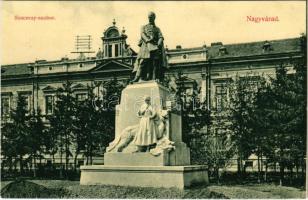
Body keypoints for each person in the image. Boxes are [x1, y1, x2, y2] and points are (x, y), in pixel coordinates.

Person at [131, 12, 167, 83]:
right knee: (142, 62)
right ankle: (137, 77)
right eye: (149, 17)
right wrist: (148, 40)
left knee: (156, 62)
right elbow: (142, 34)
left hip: (155, 46)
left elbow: (161, 37)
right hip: (146, 47)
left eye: (151, 17)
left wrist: (159, 43)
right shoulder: (144, 27)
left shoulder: (157, 29)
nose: (150, 19)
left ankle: (156, 77)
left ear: (154, 18)